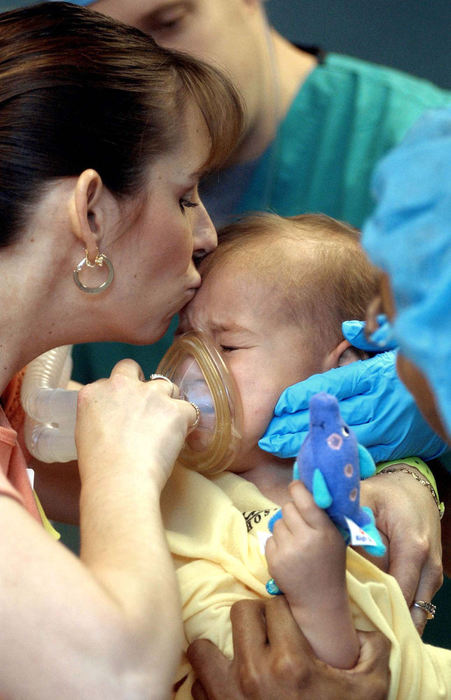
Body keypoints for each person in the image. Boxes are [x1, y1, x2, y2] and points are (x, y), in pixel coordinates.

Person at [60, 0, 449, 481]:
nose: (149, 74)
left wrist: (416, 462)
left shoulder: (424, 158)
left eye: (167, 23)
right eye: (111, 55)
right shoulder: (73, 190)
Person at [0, 3, 244, 697]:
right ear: (92, 213)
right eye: (185, 195)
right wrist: (123, 468)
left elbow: (232, 495)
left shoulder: (21, 406)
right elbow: (115, 680)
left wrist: (403, 481)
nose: (206, 236)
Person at [187, 106, 451, 700]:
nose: (190, 367)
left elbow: (372, 669)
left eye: (226, 344)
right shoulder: (169, 468)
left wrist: (320, 595)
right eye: (184, 338)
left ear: (336, 373)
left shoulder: (357, 515)